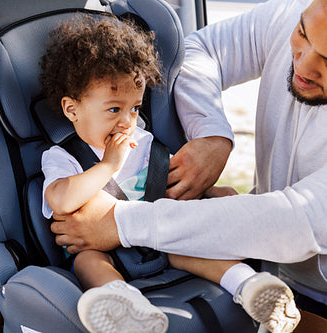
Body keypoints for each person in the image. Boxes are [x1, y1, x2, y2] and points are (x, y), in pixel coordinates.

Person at [50, 0, 327, 324]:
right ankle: (123, 308)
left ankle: (253, 287)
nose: (303, 66)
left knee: (191, 247)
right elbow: (200, 50)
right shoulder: (290, 11)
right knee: (90, 260)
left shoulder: (141, 145)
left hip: (315, 292)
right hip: (112, 249)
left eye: (135, 109)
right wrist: (212, 135)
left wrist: (121, 222)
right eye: (302, 33)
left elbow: (298, 219)